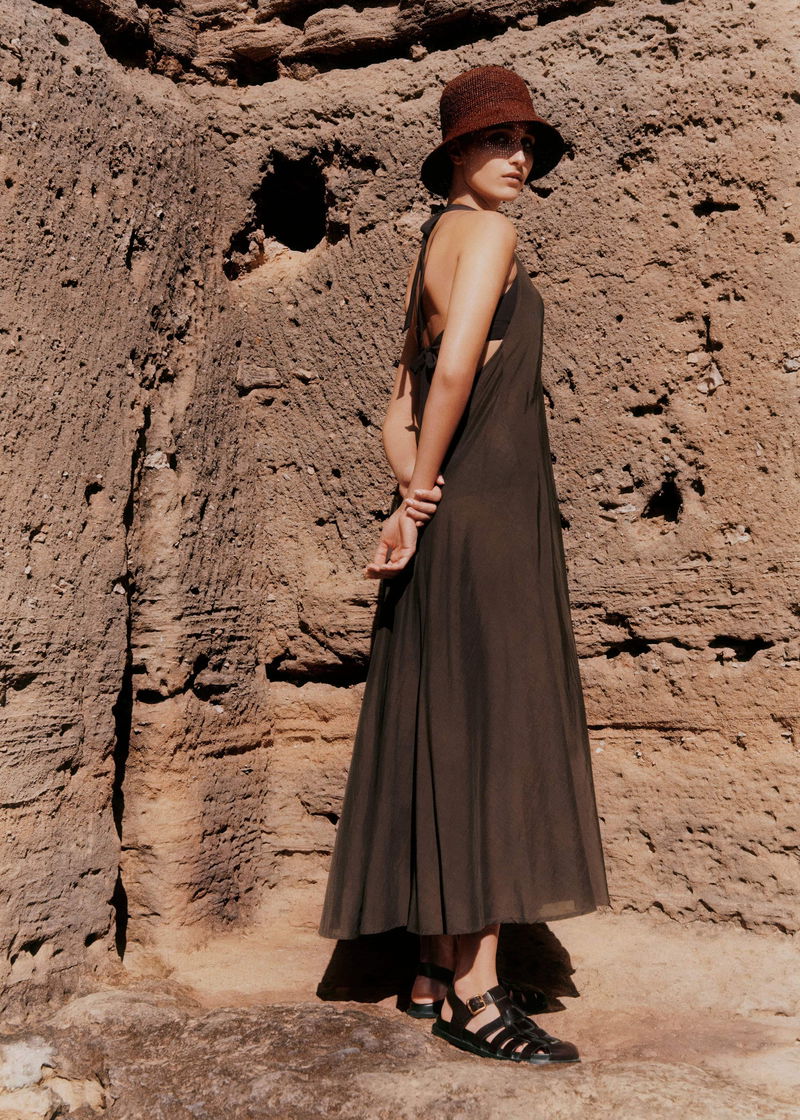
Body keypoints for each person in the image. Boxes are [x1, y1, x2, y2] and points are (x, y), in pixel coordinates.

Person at [318, 64, 611, 1065]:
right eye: (497, 139)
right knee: (494, 737)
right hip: (487, 520)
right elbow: (445, 378)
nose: (519, 157)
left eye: (527, 143)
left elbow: (395, 409)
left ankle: (431, 970)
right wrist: (422, 497)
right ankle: (476, 998)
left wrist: (410, 494)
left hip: (450, 517)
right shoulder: (488, 235)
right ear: (453, 152)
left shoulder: (432, 246)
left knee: (445, 729)